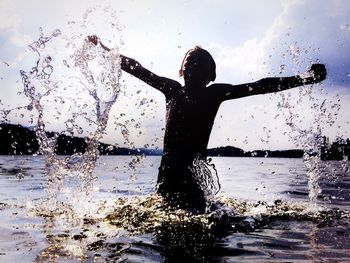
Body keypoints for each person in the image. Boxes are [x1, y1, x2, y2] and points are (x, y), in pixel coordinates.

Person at [87, 36, 327, 213]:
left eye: (200, 64)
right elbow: (137, 68)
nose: (194, 66)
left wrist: (304, 79)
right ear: (182, 70)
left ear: (210, 75)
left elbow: (261, 85)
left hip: (194, 173)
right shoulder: (172, 90)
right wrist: (105, 50)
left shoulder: (215, 94)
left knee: (194, 215)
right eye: (190, 62)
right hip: (168, 174)